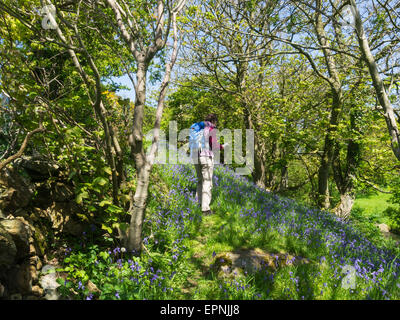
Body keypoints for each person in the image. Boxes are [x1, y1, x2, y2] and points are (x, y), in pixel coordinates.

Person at [193, 113, 227, 215]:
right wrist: (223, 147)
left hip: (195, 156)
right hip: (206, 157)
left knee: (200, 180)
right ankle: (205, 209)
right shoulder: (211, 129)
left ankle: (197, 203)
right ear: (214, 121)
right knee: (207, 182)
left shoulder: (198, 128)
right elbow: (215, 145)